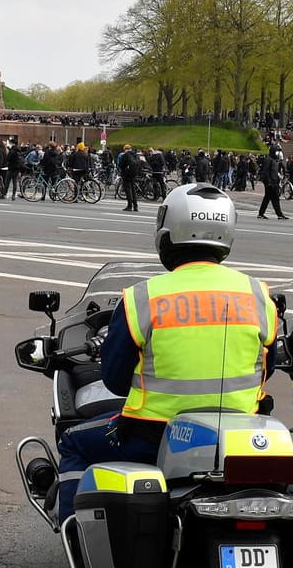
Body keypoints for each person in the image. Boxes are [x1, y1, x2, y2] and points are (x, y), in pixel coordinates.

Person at [24, 184, 278, 521]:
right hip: (238, 435)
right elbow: (268, 367)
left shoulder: (144, 297)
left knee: (74, 442)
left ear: (168, 233)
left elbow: (114, 381)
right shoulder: (259, 295)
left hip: (153, 434)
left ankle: (74, 532)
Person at [257, 147, 287, 220]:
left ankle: (261, 213)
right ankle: (279, 214)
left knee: (268, 198)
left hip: (273, 181)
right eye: (277, 152)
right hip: (271, 182)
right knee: (274, 198)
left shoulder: (273, 160)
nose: (278, 153)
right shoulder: (269, 160)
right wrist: (269, 181)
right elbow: (266, 171)